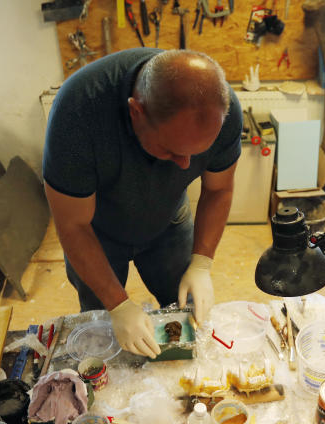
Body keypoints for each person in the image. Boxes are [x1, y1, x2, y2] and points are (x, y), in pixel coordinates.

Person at [43, 48, 242, 358]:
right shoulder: (78, 113)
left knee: (182, 313)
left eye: (196, 152)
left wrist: (202, 263)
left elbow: (218, 190)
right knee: (101, 326)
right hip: (95, 233)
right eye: (172, 150)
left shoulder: (220, 109)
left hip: (168, 221)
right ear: (136, 112)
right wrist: (118, 305)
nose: (185, 164)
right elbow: (73, 224)